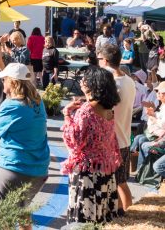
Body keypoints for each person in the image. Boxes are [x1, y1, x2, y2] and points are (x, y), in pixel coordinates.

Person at [0, 63, 49, 226]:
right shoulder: (38, 101)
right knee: (21, 210)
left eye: (4, 79)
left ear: (12, 82)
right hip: (39, 169)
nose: (2, 83)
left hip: (14, 167)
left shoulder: (10, 105)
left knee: (3, 218)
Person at [61, 67, 121, 224]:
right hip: (104, 170)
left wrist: (67, 114)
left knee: (83, 221)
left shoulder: (87, 110)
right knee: (101, 218)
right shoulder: (109, 109)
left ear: (93, 84)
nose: (81, 81)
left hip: (87, 173)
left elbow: (74, 141)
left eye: (85, 79)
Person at [99, 44, 135, 212]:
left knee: (120, 183)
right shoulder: (129, 80)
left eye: (99, 59)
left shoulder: (112, 84)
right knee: (118, 182)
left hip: (115, 140)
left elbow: (107, 113)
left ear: (105, 61)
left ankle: (129, 212)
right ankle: (122, 211)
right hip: (124, 136)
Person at [130, 81, 165, 170]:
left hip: (159, 136)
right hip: (156, 134)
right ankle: (139, 168)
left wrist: (153, 117)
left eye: (158, 92)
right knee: (139, 138)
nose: (157, 93)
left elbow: (162, 124)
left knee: (142, 141)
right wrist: (152, 115)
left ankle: (142, 169)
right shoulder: (162, 106)